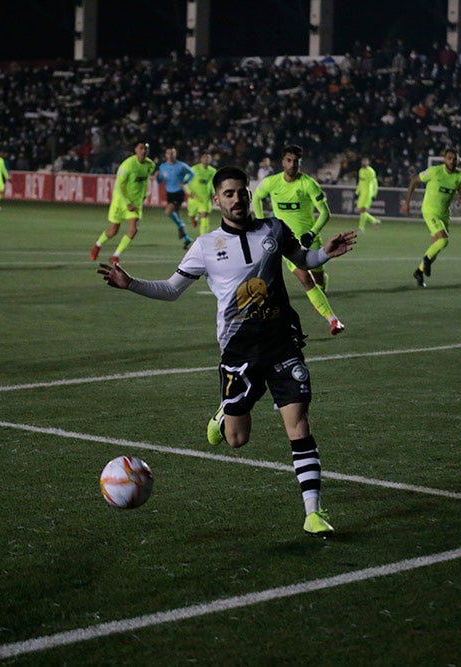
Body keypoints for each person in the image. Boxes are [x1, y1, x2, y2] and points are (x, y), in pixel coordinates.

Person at [97, 166, 357, 536]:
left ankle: (313, 512)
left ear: (250, 196)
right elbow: (172, 289)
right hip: (239, 351)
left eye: (242, 193)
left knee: (298, 425)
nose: (237, 200)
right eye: (229, 194)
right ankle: (225, 416)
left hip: (283, 342)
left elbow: (302, 260)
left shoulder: (275, 229)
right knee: (237, 439)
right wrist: (131, 284)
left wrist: (324, 254)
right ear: (216, 199)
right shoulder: (205, 246)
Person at [252, 145, 344, 335]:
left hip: (310, 238)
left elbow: (326, 213)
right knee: (305, 280)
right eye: (289, 160)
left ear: (300, 163)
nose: (292, 165)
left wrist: (312, 233)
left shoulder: (308, 184)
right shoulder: (271, 182)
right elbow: (257, 198)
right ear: (283, 161)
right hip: (287, 241)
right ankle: (333, 321)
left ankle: (322, 285)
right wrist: (262, 223)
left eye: (296, 162)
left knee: (318, 276)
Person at [401, 148, 461, 287]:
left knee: (435, 246)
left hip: (444, 214)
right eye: (449, 158)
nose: (452, 161)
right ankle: (426, 260)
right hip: (430, 211)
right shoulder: (434, 171)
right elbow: (414, 180)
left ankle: (419, 271)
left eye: (455, 158)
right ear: (444, 159)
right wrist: (407, 202)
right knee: (444, 240)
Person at [90, 141, 157, 264]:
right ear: (135, 150)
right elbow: (118, 187)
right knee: (112, 231)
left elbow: (145, 180)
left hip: (135, 203)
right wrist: (126, 203)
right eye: (141, 148)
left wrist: (143, 196)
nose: (144, 151)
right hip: (121, 202)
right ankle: (97, 245)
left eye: (146, 149)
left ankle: (115, 256)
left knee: (133, 230)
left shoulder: (150, 165)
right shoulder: (127, 166)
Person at [156, 147, 195, 249]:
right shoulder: (163, 166)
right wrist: (157, 177)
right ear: (166, 155)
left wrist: (185, 182)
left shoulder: (181, 166)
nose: (170, 155)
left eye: (172, 153)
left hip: (178, 193)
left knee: (168, 212)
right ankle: (186, 238)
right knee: (176, 215)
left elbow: (192, 173)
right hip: (170, 193)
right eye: (168, 153)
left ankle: (181, 226)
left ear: (175, 154)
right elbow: (160, 181)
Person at [187, 152, 217, 234]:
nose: (206, 159)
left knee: (204, 215)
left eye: (208, 158)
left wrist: (215, 193)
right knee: (191, 216)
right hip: (194, 197)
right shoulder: (194, 169)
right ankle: (194, 219)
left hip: (205, 198)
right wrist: (189, 192)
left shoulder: (213, 171)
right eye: (204, 157)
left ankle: (203, 237)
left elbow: (214, 184)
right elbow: (185, 181)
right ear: (201, 159)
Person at [355, 156, 380, 231]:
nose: (364, 163)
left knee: (363, 210)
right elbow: (360, 182)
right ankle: (374, 221)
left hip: (368, 193)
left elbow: (375, 183)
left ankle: (361, 228)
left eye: (366, 161)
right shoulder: (360, 170)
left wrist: (374, 194)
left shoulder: (371, 171)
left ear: (368, 163)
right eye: (363, 161)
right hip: (362, 193)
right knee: (360, 210)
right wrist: (357, 192)